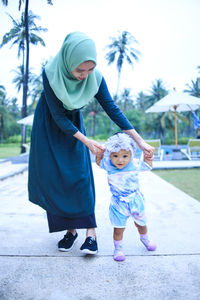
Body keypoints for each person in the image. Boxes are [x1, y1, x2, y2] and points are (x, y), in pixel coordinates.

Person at [28, 32, 154, 255]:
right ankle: (70, 231)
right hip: (49, 127)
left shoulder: (95, 78)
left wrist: (140, 141)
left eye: (90, 69)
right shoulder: (51, 74)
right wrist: (87, 141)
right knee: (56, 179)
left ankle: (90, 234)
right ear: (68, 63)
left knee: (80, 176)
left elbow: (112, 108)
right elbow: (58, 116)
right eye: (79, 70)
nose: (85, 76)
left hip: (74, 126)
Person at [96, 132, 156, 261]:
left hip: (135, 200)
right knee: (118, 229)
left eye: (124, 156)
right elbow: (98, 162)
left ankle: (145, 239)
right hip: (118, 203)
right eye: (115, 156)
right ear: (110, 155)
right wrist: (99, 154)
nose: (120, 160)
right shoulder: (108, 164)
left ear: (131, 154)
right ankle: (118, 249)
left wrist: (148, 158)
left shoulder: (134, 163)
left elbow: (147, 166)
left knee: (141, 224)